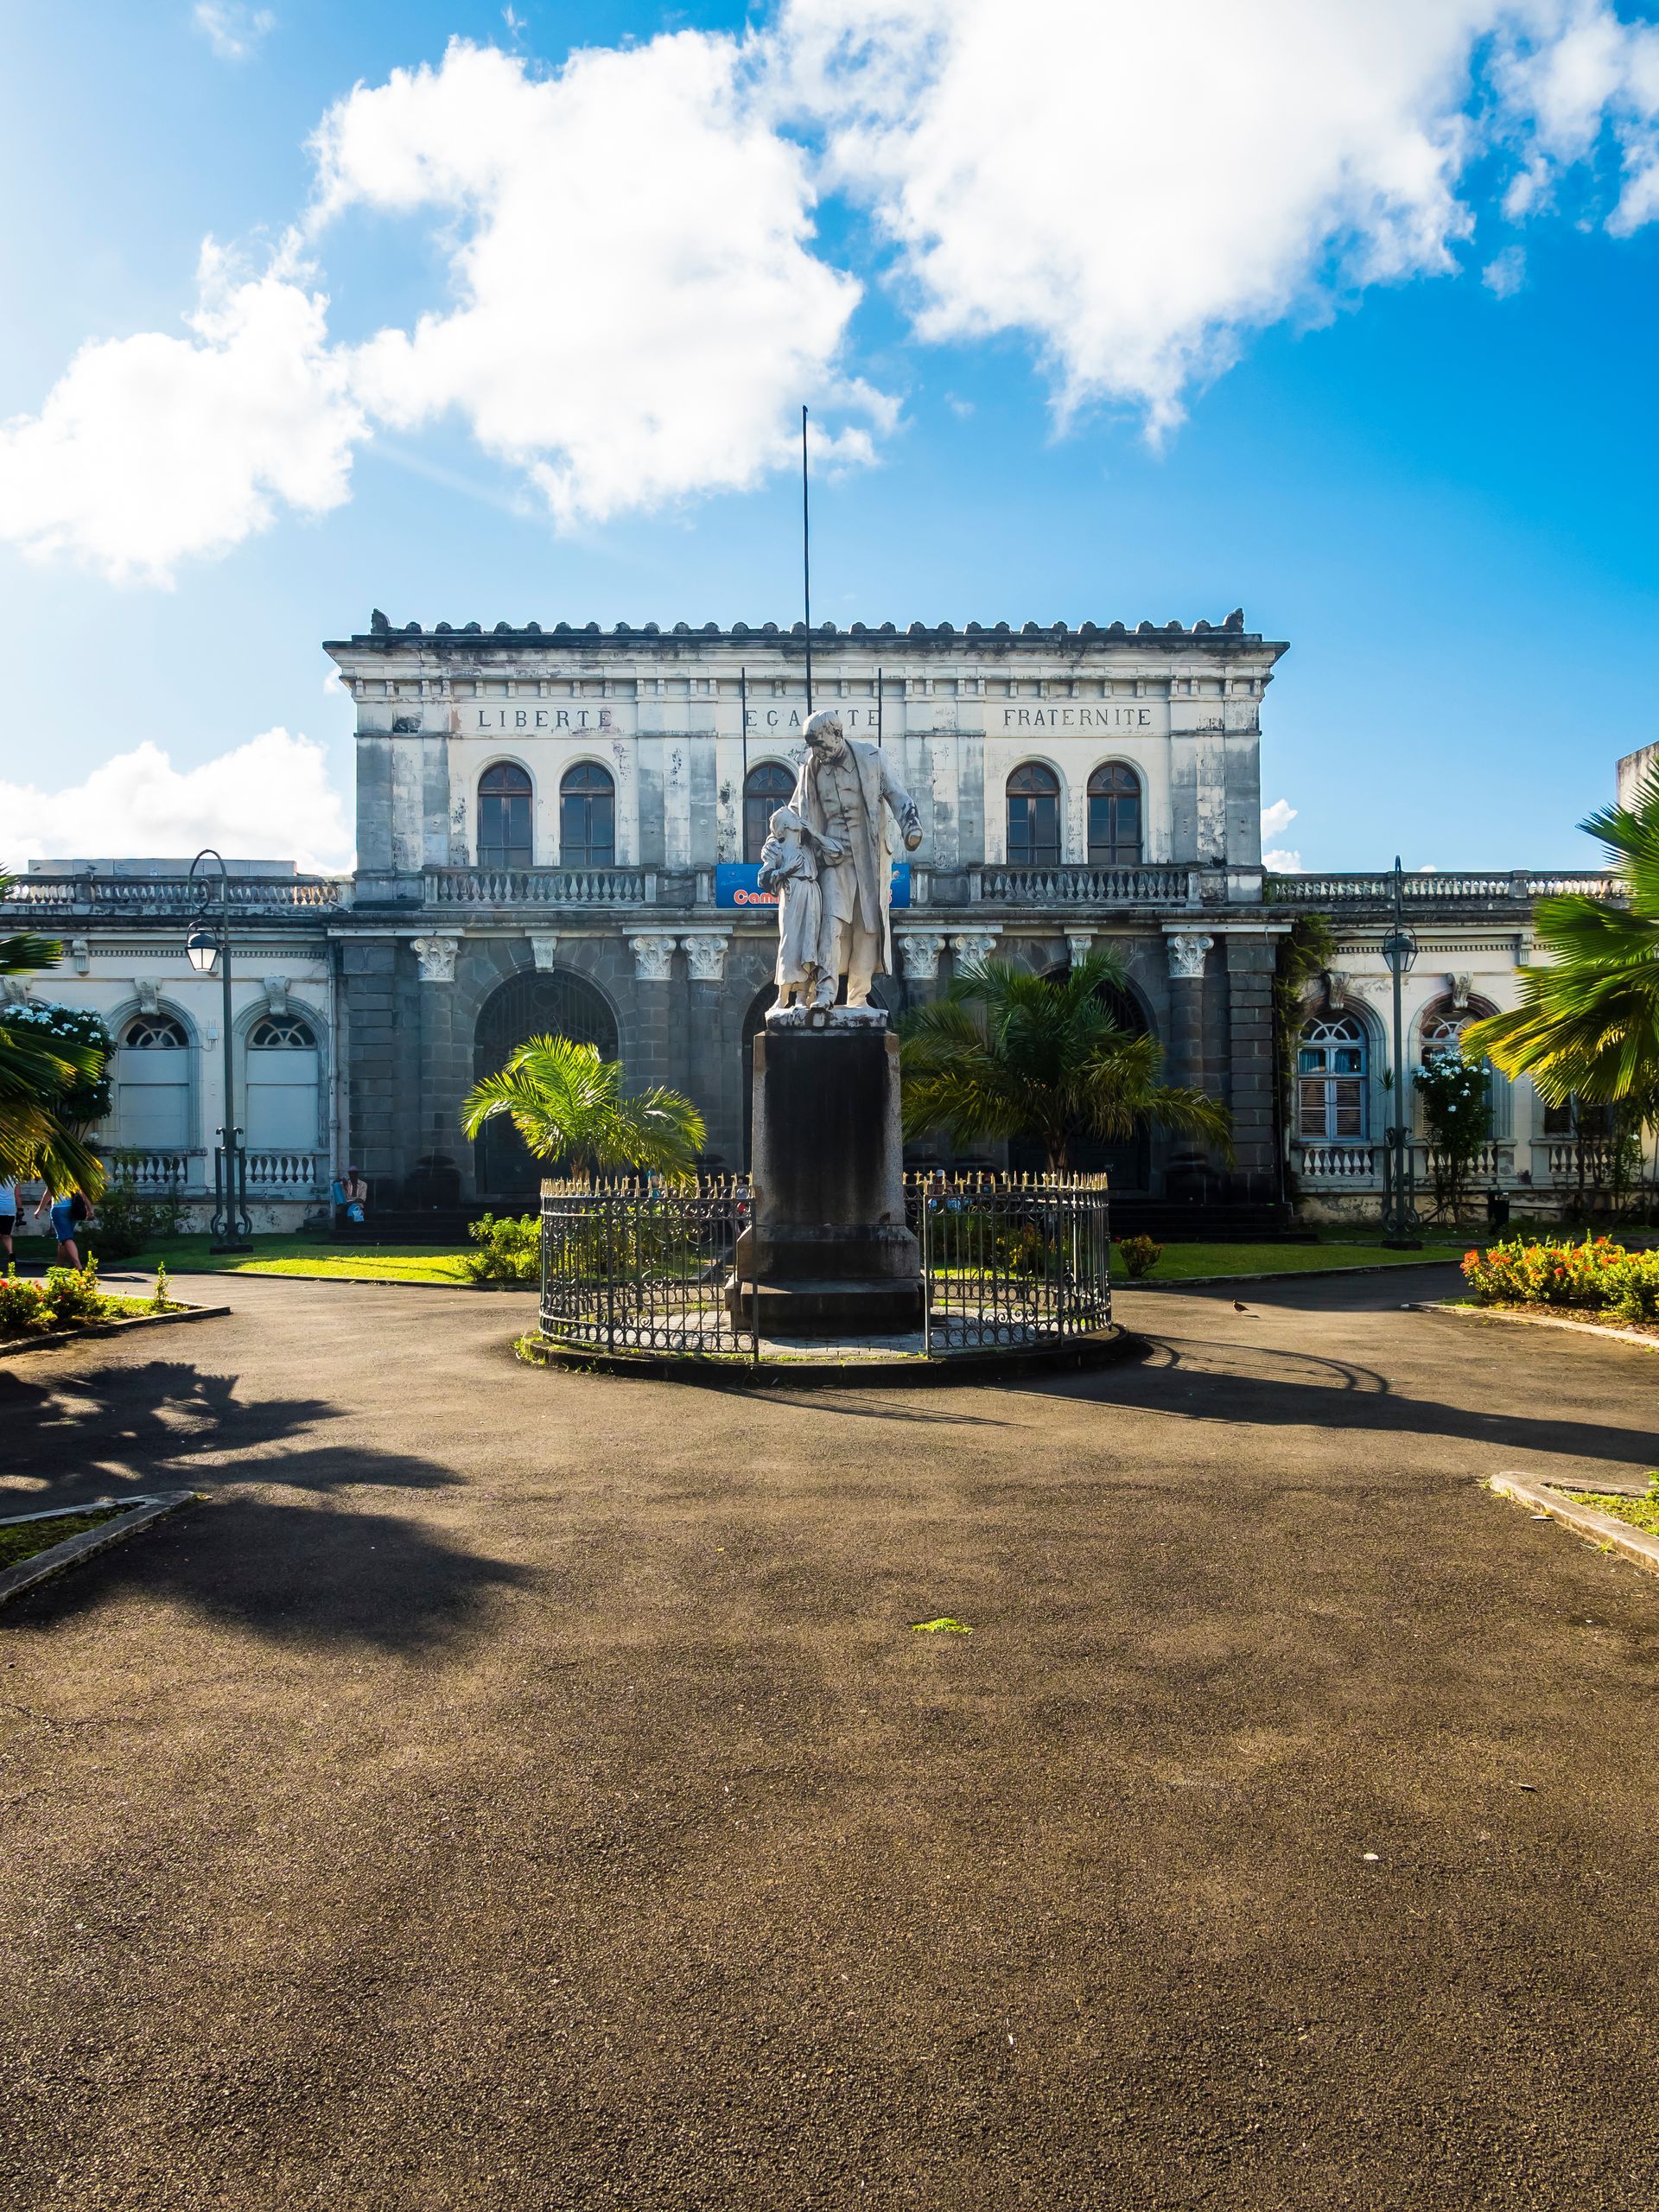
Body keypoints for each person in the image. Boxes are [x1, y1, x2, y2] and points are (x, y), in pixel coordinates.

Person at [789, 709, 922, 1009]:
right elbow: (796, 811)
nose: (816, 751)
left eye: (820, 743)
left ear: (838, 734)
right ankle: (825, 992)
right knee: (830, 921)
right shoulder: (810, 768)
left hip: (869, 852)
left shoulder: (872, 758)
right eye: (811, 744)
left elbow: (898, 795)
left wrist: (911, 827)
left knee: (868, 925)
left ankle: (858, 997)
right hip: (832, 853)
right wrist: (776, 845)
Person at [756, 802, 823, 1012]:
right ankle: (783, 997)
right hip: (792, 895)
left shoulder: (809, 848)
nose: (798, 818)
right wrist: (785, 870)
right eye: (792, 817)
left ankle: (802, 997)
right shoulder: (776, 848)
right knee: (790, 944)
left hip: (812, 894)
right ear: (785, 826)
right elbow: (763, 879)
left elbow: (838, 852)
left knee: (809, 946)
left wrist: (815, 833)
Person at [35, 1185, 92, 1268]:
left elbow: (48, 1194)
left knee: (66, 1238)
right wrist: (89, 1209)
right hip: (74, 1209)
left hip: (59, 1209)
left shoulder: (55, 1176)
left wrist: (39, 1210)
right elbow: (83, 1193)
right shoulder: (74, 1176)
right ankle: (59, 1266)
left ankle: (78, 1266)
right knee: (62, 1239)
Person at [0, 1178, 16, 1267]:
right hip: (10, 1209)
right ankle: (10, 1253)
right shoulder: (14, 1178)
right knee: (6, 1234)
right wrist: (20, 1209)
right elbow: (17, 1195)